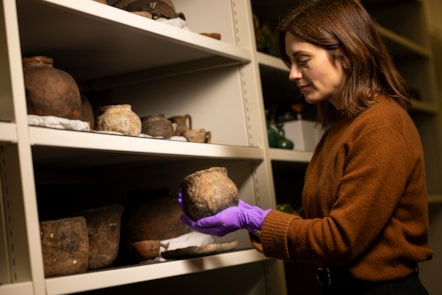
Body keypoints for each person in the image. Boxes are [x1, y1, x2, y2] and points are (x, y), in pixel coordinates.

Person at [178, 0, 433, 294]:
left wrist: (254, 218)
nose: (293, 74)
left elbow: (339, 239)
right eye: (290, 63)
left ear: (347, 54)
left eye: (303, 60)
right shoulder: (342, 127)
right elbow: (319, 225)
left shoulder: (382, 125)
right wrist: (251, 221)